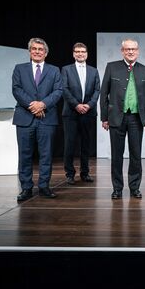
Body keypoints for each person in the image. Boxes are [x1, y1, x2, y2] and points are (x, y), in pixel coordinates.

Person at [100, 38, 145, 199]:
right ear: (122, 51)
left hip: (137, 118)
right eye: (127, 49)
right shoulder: (112, 67)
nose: (131, 51)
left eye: (134, 49)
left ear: (138, 51)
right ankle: (117, 188)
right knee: (116, 155)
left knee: (136, 155)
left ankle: (134, 187)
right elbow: (104, 95)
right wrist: (104, 117)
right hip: (116, 117)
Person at [12, 37, 63, 201]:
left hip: (47, 118)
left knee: (46, 155)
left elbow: (58, 91)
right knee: (25, 155)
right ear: (29, 51)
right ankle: (26, 188)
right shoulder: (19, 69)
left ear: (46, 53)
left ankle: (44, 187)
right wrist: (32, 106)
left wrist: (42, 104)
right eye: (34, 49)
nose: (37, 52)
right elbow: (17, 90)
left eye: (40, 49)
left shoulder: (54, 70)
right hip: (25, 118)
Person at [61, 42, 101, 185]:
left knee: (86, 145)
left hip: (88, 113)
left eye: (83, 51)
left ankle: (85, 173)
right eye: (77, 51)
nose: (80, 54)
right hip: (71, 113)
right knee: (70, 144)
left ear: (87, 54)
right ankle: (70, 174)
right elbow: (64, 89)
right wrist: (77, 105)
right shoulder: (66, 69)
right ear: (73, 54)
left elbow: (97, 90)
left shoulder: (93, 71)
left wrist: (89, 105)